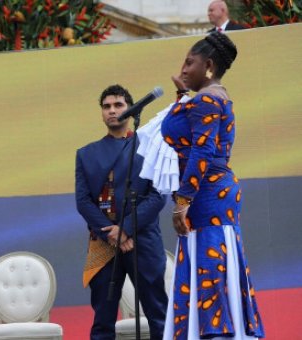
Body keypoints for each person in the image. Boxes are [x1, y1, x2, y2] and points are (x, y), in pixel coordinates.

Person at [161, 32, 265, 339]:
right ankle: (211, 331)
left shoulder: (207, 99)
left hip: (207, 194)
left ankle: (216, 333)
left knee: (210, 263)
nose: (182, 68)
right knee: (210, 261)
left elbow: (202, 151)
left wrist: (183, 201)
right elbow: (193, 134)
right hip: (211, 193)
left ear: (208, 65)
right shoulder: (210, 97)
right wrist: (182, 98)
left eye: (189, 62)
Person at [75, 85, 168, 340]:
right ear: (101, 113)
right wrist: (112, 235)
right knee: (103, 320)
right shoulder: (86, 154)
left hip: (143, 240)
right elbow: (83, 202)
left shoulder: (149, 147)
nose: (112, 111)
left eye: (118, 105)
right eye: (107, 106)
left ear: (130, 109)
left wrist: (125, 229)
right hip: (104, 244)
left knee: (158, 313)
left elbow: (158, 195)